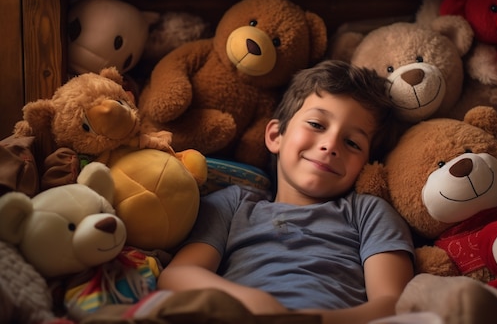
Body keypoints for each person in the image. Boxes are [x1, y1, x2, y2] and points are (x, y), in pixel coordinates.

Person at [157, 59, 416, 324]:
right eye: (317, 124)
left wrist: (310, 320)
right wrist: (253, 304)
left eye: (352, 142)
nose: (330, 145)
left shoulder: (368, 212)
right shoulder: (234, 203)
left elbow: (393, 304)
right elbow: (177, 275)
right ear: (275, 135)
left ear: (366, 164)